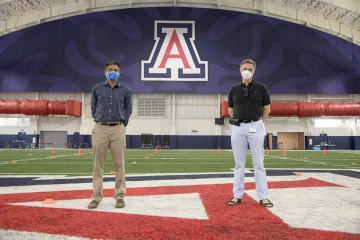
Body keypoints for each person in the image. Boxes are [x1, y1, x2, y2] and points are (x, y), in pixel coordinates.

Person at [227, 59, 273, 208]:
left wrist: (260, 122)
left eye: (250, 69)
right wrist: (236, 121)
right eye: (244, 68)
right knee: (239, 163)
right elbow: (230, 109)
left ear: (254, 71)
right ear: (240, 70)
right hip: (238, 127)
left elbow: (267, 109)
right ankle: (237, 195)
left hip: (256, 125)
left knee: (258, 163)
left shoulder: (261, 88)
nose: (247, 71)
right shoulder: (234, 89)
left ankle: (263, 196)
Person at [88, 61, 132, 209]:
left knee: (120, 165)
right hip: (100, 128)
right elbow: (93, 108)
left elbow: (128, 110)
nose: (113, 71)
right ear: (105, 72)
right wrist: (99, 120)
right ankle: (96, 197)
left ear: (119, 72)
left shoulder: (126, 90)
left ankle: (120, 197)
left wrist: (121, 124)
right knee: (97, 166)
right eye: (110, 69)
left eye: (116, 70)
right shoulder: (97, 89)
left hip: (118, 128)